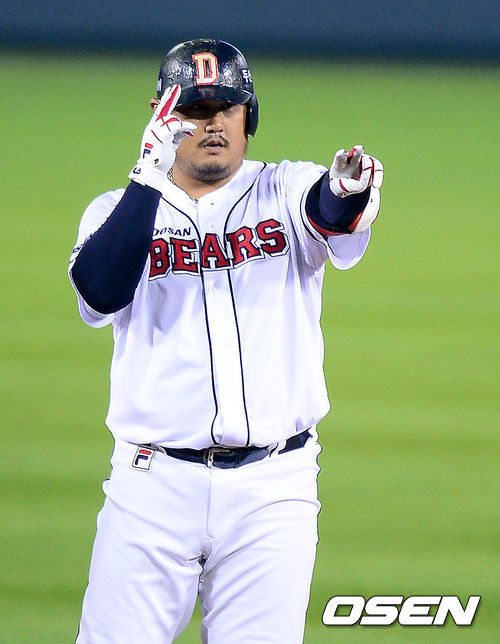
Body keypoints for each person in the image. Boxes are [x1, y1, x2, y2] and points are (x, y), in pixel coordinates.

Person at [69, 38, 383, 644]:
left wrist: (346, 191)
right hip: (151, 488)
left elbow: (328, 211)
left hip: (274, 491)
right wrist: (149, 175)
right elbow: (101, 292)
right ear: (161, 118)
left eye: (227, 107)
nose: (214, 122)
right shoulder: (114, 210)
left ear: (248, 116)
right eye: (194, 108)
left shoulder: (285, 188)